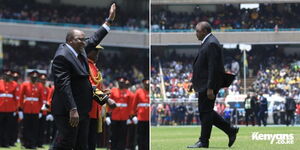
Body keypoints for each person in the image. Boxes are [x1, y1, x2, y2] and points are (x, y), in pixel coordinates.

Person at [50, 3, 116, 149]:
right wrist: (72, 109)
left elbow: (84, 84)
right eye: (80, 39)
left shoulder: (79, 52)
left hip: (82, 109)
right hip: (68, 110)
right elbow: (64, 86)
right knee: (66, 142)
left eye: (84, 39)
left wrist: (109, 21)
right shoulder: (62, 57)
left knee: (81, 145)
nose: (84, 42)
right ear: (70, 41)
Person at [188, 21, 238, 148]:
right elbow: (203, 67)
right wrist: (193, 82)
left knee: (205, 112)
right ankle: (230, 130)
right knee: (206, 112)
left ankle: (204, 141)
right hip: (204, 83)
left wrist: (210, 87)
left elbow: (213, 68)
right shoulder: (208, 42)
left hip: (208, 85)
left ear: (204, 31)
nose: (196, 34)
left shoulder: (211, 43)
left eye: (197, 31)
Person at [19, 70, 44, 149]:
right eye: (33, 77)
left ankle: (33, 144)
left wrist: (40, 110)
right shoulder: (25, 84)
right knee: (26, 127)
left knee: (34, 127)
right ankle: (26, 143)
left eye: (35, 77)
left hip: (36, 109)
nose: (34, 78)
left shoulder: (40, 86)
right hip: (27, 108)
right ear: (30, 77)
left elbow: (41, 99)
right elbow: (21, 96)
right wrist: (21, 108)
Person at [108, 77, 132, 150]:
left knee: (123, 136)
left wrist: (130, 117)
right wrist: (107, 115)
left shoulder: (128, 93)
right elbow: (108, 104)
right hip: (115, 117)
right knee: (114, 136)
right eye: (120, 82)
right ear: (118, 83)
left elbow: (130, 106)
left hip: (124, 118)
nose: (121, 83)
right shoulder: (113, 91)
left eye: (122, 82)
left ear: (125, 83)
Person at [0, 70, 18, 147]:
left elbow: (16, 98)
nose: (8, 76)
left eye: (9, 75)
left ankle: (6, 143)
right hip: (0, 108)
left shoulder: (14, 84)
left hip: (10, 109)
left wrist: (16, 109)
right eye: (6, 75)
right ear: (4, 75)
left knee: (8, 127)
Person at [131, 79, 149, 150]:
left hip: (148, 118)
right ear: (143, 84)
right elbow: (134, 105)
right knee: (140, 136)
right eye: (146, 84)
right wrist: (133, 116)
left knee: (148, 137)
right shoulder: (139, 92)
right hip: (141, 118)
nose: (147, 85)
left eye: (148, 84)